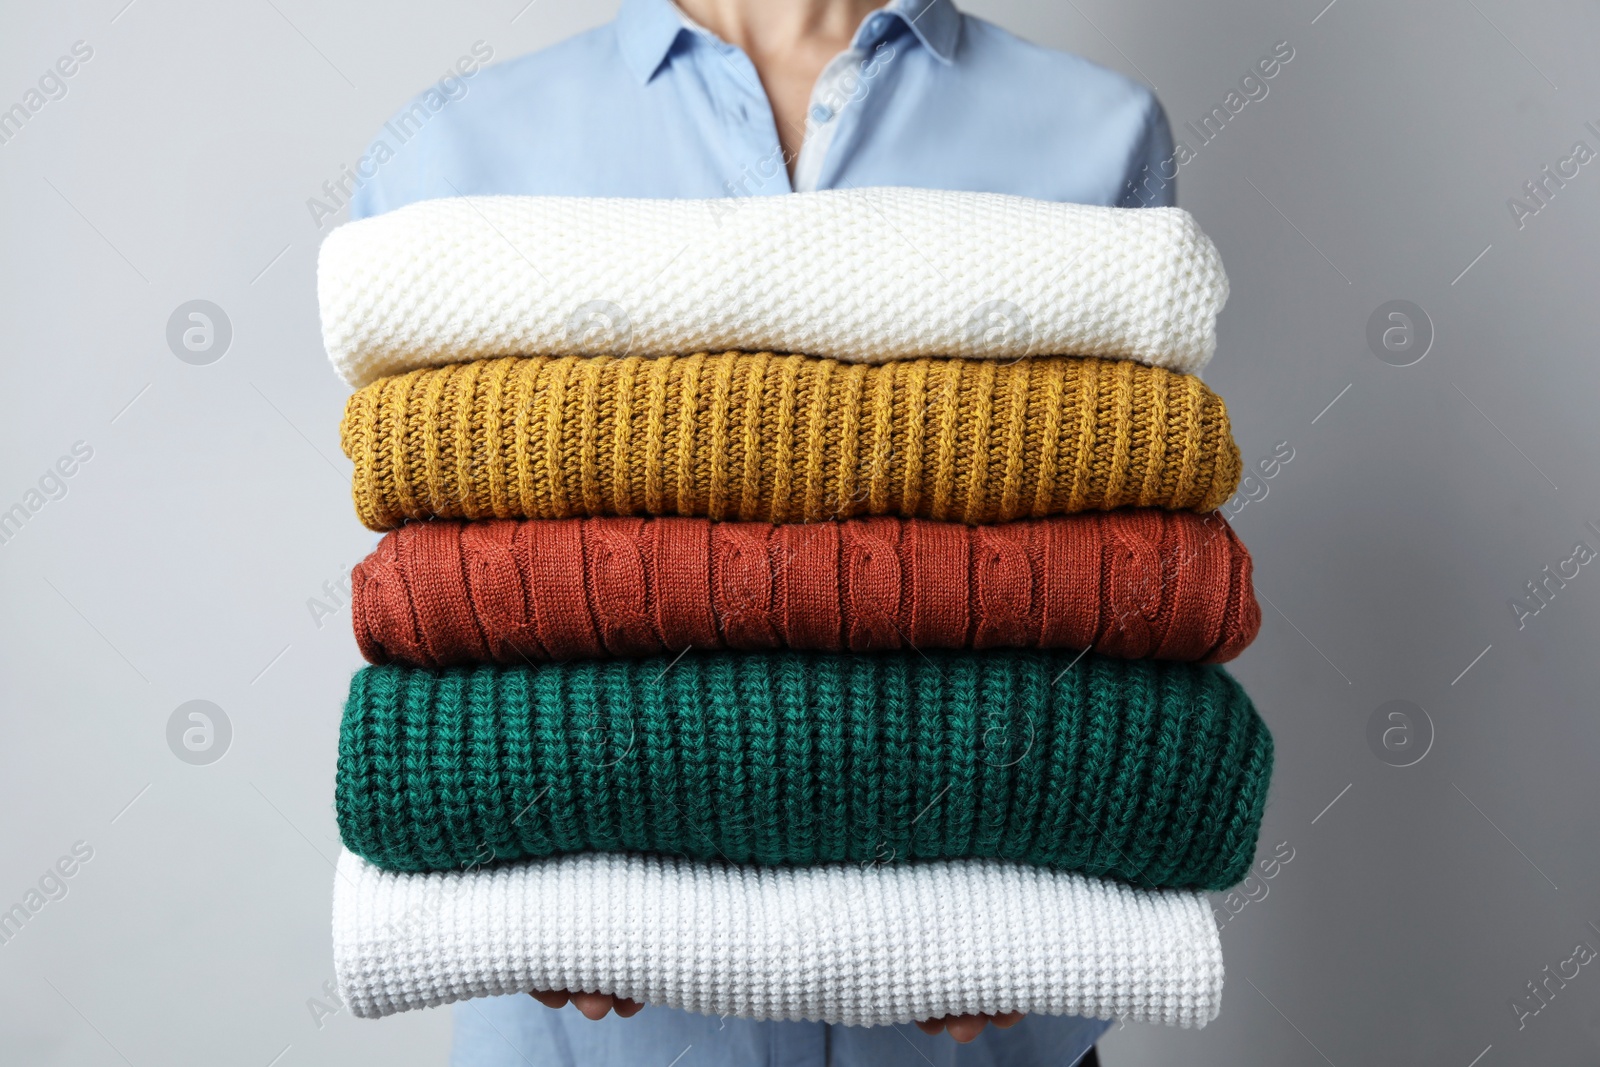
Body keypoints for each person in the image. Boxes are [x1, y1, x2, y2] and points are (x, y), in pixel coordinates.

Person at [348, 1, 1175, 1062]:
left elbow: (1117, 580)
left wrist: (1032, 926)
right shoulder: (450, 149)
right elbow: (444, 605)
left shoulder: (1098, 129)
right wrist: (530, 886)